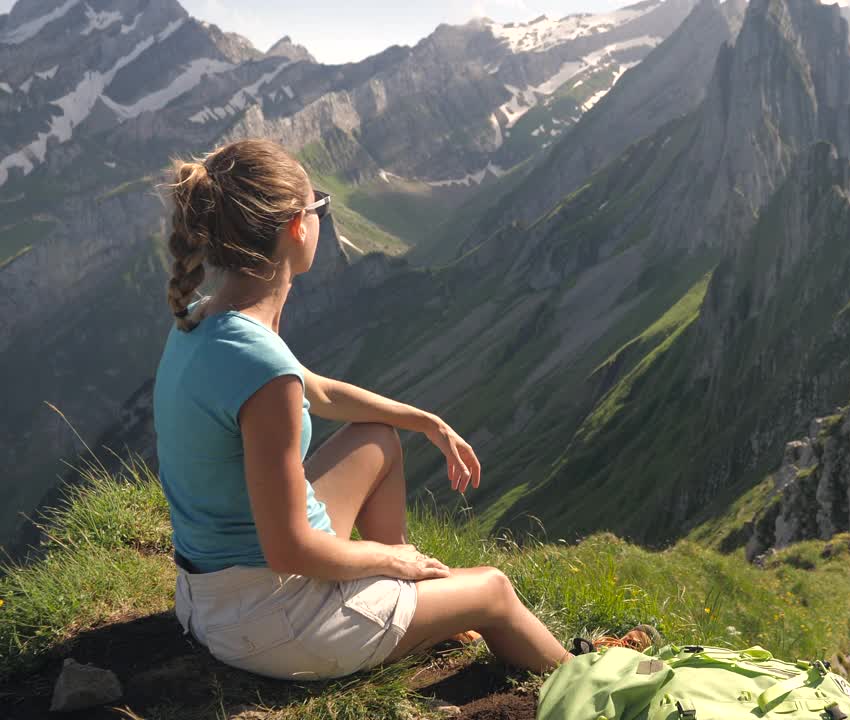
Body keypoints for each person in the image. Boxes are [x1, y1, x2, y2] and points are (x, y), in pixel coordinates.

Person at [152, 138, 572, 681]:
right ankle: (591, 685)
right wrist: (390, 560)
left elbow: (317, 391)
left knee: (377, 438)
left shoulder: (201, 317)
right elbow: (288, 550)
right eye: (318, 207)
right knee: (493, 589)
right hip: (272, 621)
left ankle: (403, 606)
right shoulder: (261, 366)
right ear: (297, 227)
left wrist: (426, 421)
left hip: (213, 597)